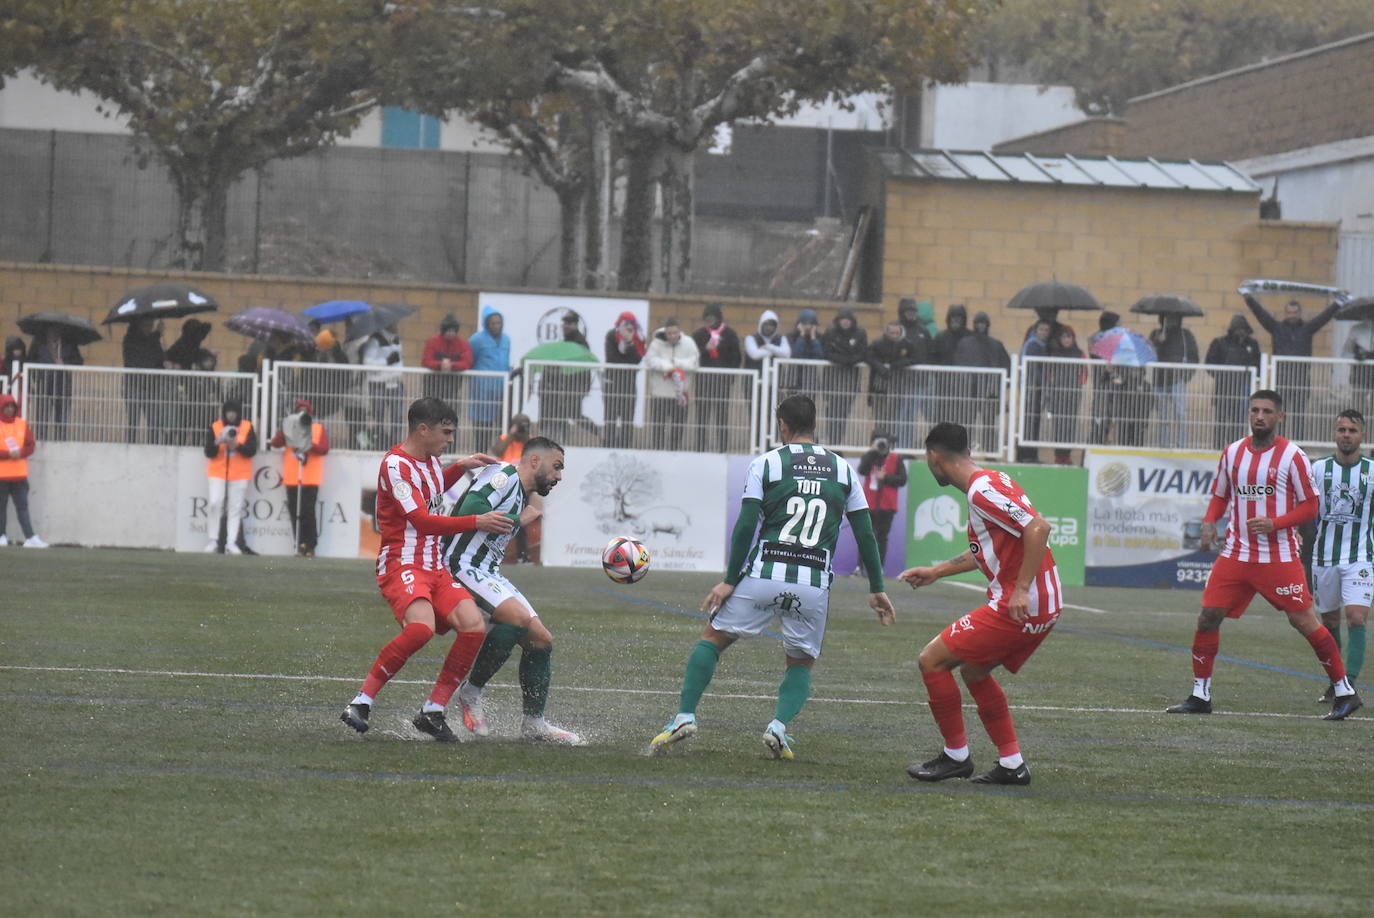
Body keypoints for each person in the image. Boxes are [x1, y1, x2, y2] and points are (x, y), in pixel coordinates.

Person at [649, 394, 896, 759]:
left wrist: (730, 579)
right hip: (813, 584)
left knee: (713, 638)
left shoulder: (767, 463)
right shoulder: (843, 470)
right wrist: (876, 587)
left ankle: (684, 716)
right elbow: (866, 533)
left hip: (765, 573)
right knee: (800, 662)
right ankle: (778, 726)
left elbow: (747, 523)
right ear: (815, 424)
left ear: (782, 424)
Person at [1165, 390, 1361, 720]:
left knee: (1303, 621)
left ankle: (1344, 689)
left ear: (1279, 417)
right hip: (1236, 555)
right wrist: (1211, 521)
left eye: (1267, 411)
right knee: (1208, 616)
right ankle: (1200, 695)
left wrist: (1275, 523)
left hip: (1279, 557)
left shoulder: (1293, 457)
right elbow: (1220, 495)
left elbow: (1311, 506)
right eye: (1254, 410)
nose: (1259, 416)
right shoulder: (1232, 453)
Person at [340, 397, 515, 741]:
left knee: (474, 627)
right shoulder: (395, 465)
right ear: (423, 429)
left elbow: (433, 488)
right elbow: (421, 520)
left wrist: (460, 467)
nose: (449, 440)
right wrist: (476, 520)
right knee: (420, 630)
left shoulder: (430, 460)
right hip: (402, 562)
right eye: (445, 432)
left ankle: (433, 712)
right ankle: (361, 702)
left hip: (434, 565)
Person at [899, 421, 1063, 786]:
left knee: (932, 661)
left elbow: (1038, 528)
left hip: (1021, 604)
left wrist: (1020, 589)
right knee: (973, 672)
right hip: (1045, 603)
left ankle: (955, 756)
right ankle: (1012, 765)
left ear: (934, 456)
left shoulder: (980, 492)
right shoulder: (992, 480)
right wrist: (938, 571)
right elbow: (995, 548)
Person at [441, 436, 584, 744]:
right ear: (535, 461)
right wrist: (520, 519)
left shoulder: (520, 490)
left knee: (541, 641)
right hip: (460, 564)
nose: (559, 476)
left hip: (486, 571)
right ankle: (471, 691)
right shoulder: (503, 475)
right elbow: (473, 507)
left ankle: (534, 723)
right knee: (515, 618)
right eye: (557, 467)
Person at [1310, 410, 1372, 706]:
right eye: (1342, 430)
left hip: (1361, 556)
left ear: (1363, 436)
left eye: (1353, 430)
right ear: (1335, 434)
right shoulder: (1318, 469)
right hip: (1324, 558)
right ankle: (1337, 683)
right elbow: (1304, 506)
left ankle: (1350, 685)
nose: (1346, 435)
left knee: (1357, 617)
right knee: (1330, 621)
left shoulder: (1372, 471)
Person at [1243, 291, 1339, 441]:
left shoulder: (1307, 328)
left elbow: (1324, 317)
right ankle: (1278, 443)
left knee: (1300, 416)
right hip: (1282, 380)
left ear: (1299, 313)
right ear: (1285, 313)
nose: (1292, 315)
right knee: (1280, 415)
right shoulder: (1276, 328)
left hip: (1301, 380)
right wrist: (1248, 298)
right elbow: (1260, 314)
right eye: (1289, 312)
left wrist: (1338, 303)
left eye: (1295, 312)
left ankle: (1298, 446)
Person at [269, 398, 330, 557]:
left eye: (305, 411)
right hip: (292, 477)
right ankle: (299, 544)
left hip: (310, 477)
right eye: (299, 411)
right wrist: (286, 429)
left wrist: (307, 444)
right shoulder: (290, 428)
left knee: (308, 512)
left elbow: (323, 448)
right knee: (294, 512)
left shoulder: (317, 428)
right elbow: (276, 443)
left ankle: (310, 545)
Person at [202, 397, 258, 555]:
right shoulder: (215, 426)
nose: (231, 415)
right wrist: (218, 442)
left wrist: (237, 446)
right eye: (228, 412)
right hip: (217, 471)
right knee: (214, 503)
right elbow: (208, 452)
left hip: (239, 473)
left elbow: (252, 450)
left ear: (238, 413)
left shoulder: (247, 427)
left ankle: (231, 542)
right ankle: (213, 539)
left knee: (235, 508)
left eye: (234, 412)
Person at [952, 312, 1010, 453]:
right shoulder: (965, 343)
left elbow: (1006, 366)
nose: (981, 326)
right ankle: (964, 449)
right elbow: (958, 363)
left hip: (989, 390)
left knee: (989, 422)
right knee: (967, 421)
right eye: (978, 323)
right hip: (969, 389)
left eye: (983, 323)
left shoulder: (995, 345)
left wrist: (1002, 386)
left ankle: (989, 450)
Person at [1204, 315, 1262, 449]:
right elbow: (1210, 364)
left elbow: (1258, 365)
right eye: (1238, 329)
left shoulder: (1252, 344)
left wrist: (1249, 377)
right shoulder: (1219, 342)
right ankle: (1218, 449)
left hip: (1243, 390)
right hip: (1223, 390)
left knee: (1238, 424)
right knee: (1221, 422)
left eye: (1243, 330)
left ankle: (1235, 450)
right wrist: (1223, 376)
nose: (1240, 332)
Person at [693, 302, 742, 453]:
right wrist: (705, 350)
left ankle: (723, 450)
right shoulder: (698, 335)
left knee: (722, 418)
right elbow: (692, 355)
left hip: (722, 383)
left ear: (718, 318)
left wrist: (729, 379)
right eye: (706, 317)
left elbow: (736, 357)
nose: (709, 320)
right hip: (703, 383)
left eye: (712, 317)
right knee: (701, 418)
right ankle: (700, 449)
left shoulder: (730, 334)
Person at [644, 318, 699, 452]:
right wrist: (667, 367)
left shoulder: (689, 343)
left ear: (679, 331)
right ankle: (657, 455)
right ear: (665, 332)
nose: (672, 336)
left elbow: (694, 362)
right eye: (669, 333)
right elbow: (650, 360)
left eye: (675, 333)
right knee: (658, 429)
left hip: (680, 395)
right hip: (660, 394)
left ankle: (674, 456)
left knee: (678, 429)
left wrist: (676, 363)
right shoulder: (656, 343)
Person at [0, 393, 47, 548]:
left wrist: (21, 453)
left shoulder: (22, 424)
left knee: (23, 508)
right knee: (1, 508)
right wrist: (8, 455)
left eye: (12, 407)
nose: (9, 410)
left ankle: (30, 537)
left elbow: (30, 445)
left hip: (20, 475)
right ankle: (2, 536)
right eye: (6, 407)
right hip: (1, 476)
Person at [489, 413, 535, 563]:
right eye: (519, 425)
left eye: (524, 426)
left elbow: (534, 453)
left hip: (523, 485)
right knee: (500, 519)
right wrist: (512, 434)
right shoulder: (505, 439)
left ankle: (523, 555)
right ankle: (493, 554)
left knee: (520, 520)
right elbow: (497, 451)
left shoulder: (530, 440)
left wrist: (525, 435)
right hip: (505, 484)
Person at [1148, 314, 1200, 449]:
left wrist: (1186, 376)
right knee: (1163, 416)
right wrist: (1158, 342)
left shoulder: (1185, 335)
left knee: (1181, 415)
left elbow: (1193, 356)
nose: (1170, 321)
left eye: (1173, 318)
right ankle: (1163, 445)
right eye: (1166, 319)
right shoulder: (1156, 334)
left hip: (1177, 380)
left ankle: (1182, 445)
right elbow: (1147, 353)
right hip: (1159, 381)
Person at [857, 430, 906, 570]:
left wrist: (886, 478)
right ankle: (860, 567)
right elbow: (862, 470)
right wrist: (872, 453)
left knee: (882, 537)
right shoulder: (869, 456)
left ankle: (879, 567)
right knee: (865, 536)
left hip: (887, 506)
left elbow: (902, 480)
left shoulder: (896, 459)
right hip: (869, 503)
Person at [865, 321, 918, 448]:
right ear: (887, 333)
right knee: (880, 417)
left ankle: (891, 445)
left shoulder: (907, 344)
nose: (894, 335)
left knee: (894, 417)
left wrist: (898, 364)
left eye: (897, 333)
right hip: (880, 385)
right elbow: (868, 357)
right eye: (892, 332)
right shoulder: (878, 343)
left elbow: (915, 358)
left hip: (898, 386)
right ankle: (879, 444)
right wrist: (880, 367)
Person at [26, 326, 83, 443]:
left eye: (57, 330)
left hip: (62, 384)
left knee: (61, 416)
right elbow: (30, 360)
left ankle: (61, 441)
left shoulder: (69, 343)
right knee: (42, 415)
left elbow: (79, 361)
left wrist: (65, 363)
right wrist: (35, 379)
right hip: (44, 383)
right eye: (51, 330)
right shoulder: (39, 342)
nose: (54, 332)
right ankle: (41, 441)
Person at [820, 308, 867, 445]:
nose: (845, 322)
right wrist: (842, 360)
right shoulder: (830, 332)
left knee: (843, 413)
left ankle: (837, 442)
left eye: (848, 320)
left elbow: (863, 352)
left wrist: (851, 360)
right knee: (832, 412)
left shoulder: (860, 333)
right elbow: (826, 351)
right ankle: (831, 442)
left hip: (850, 380)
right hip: (832, 379)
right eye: (843, 319)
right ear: (838, 321)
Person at [468, 306, 510, 453]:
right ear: (486, 324)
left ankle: (499, 457)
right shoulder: (476, 340)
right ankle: (481, 456)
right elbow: (469, 360)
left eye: (498, 322)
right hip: (482, 390)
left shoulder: (506, 340)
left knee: (501, 426)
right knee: (482, 427)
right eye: (493, 323)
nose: (496, 326)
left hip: (501, 390)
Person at [1045, 325, 1087, 465]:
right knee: (1058, 425)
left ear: (1073, 338)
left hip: (1073, 394)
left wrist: (1077, 385)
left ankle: (1067, 455)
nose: (1066, 340)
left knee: (1070, 424)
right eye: (1063, 337)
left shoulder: (1080, 353)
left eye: (1069, 337)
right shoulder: (1055, 354)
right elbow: (1050, 373)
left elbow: (1084, 373)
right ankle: (1059, 455)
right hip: (1058, 394)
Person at [602, 311, 645, 448]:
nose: (628, 328)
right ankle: (607, 446)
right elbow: (612, 359)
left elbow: (637, 361)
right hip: (612, 383)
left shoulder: (639, 339)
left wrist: (630, 343)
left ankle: (626, 447)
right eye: (625, 324)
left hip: (629, 384)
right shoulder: (611, 336)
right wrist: (623, 344)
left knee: (627, 420)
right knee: (610, 419)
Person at [122, 316, 167, 444]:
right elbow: (144, 354)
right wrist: (157, 334)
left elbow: (159, 359)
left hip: (151, 386)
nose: (150, 327)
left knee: (153, 421)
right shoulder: (130, 339)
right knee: (133, 420)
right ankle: (130, 445)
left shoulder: (153, 339)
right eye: (147, 324)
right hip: (133, 386)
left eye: (151, 324)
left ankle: (153, 445)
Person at [360, 324, 404, 449]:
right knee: (377, 415)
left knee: (398, 416)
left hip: (395, 384)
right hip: (379, 384)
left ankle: (395, 445)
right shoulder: (375, 340)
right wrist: (387, 361)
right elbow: (367, 363)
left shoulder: (396, 340)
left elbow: (400, 362)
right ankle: (378, 443)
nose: (397, 325)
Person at [1017, 318, 1053, 462]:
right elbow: (1033, 369)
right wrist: (1038, 385)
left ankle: (1028, 454)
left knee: (1032, 421)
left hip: (1033, 388)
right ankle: (1027, 455)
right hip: (1032, 389)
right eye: (1041, 329)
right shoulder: (1034, 345)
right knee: (1031, 422)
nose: (1044, 332)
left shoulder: (1038, 344)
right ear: (1035, 330)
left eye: (1046, 330)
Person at [420, 313, 472, 407]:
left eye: (453, 330)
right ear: (443, 330)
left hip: (453, 389)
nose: (451, 333)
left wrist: (452, 366)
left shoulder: (462, 344)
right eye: (448, 330)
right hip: (432, 387)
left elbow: (467, 362)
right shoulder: (433, 342)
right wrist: (440, 365)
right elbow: (426, 361)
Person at [783, 308, 824, 394]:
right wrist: (801, 337)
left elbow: (819, 356)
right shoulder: (791, 337)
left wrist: (813, 339)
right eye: (805, 324)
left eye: (811, 324)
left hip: (811, 379)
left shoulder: (819, 338)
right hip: (794, 377)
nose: (808, 327)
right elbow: (795, 354)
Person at [743, 308, 791, 375]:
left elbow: (786, 353)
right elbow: (754, 354)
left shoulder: (782, 339)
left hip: (775, 381)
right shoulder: (750, 338)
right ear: (761, 324)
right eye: (766, 324)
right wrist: (776, 352)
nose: (769, 328)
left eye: (772, 325)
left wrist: (769, 347)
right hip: (753, 381)